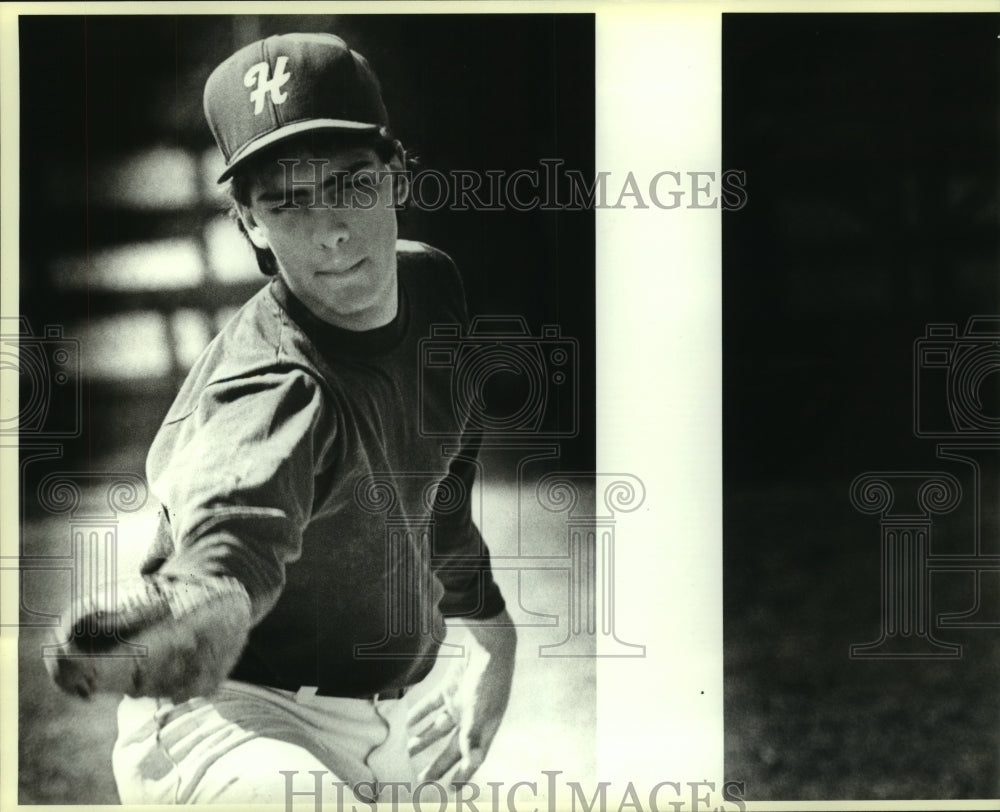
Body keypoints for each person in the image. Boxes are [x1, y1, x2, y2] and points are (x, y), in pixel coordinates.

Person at [47, 31, 516, 805]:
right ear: (248, 224)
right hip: (230, 719)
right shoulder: (274, 384)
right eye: (288, 199)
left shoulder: (432, 289)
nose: (330, 228)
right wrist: (207, 593)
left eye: (350, 183)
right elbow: (235, 514)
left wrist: (495, 639)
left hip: (384, 724)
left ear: (395, 174)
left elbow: (437, 499)